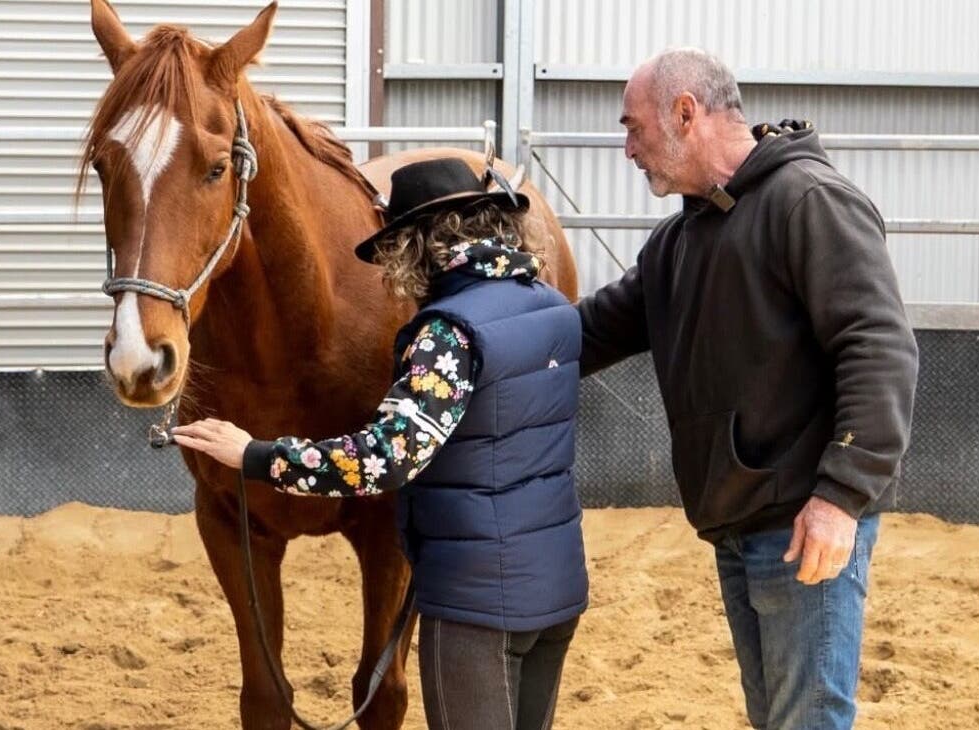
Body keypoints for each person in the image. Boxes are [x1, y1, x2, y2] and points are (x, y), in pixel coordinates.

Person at [176, 157, 588, 730]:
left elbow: (386, 459)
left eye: (395, 251)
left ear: (419, 245)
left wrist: (255, 455)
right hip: (557, 590)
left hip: (475, 599)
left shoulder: (447, 333)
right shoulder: (553, 311)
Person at [579, 49, 919, 729]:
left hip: (802, 522)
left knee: (807, 719)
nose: (627, 149)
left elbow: (878, 346)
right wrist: (479, 338)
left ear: (685, 113)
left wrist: (841, 496)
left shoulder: (809, 201)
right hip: (738, 524)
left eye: (634, 128)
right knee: (776, 717)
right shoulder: (681, 239)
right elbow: (589, 330)